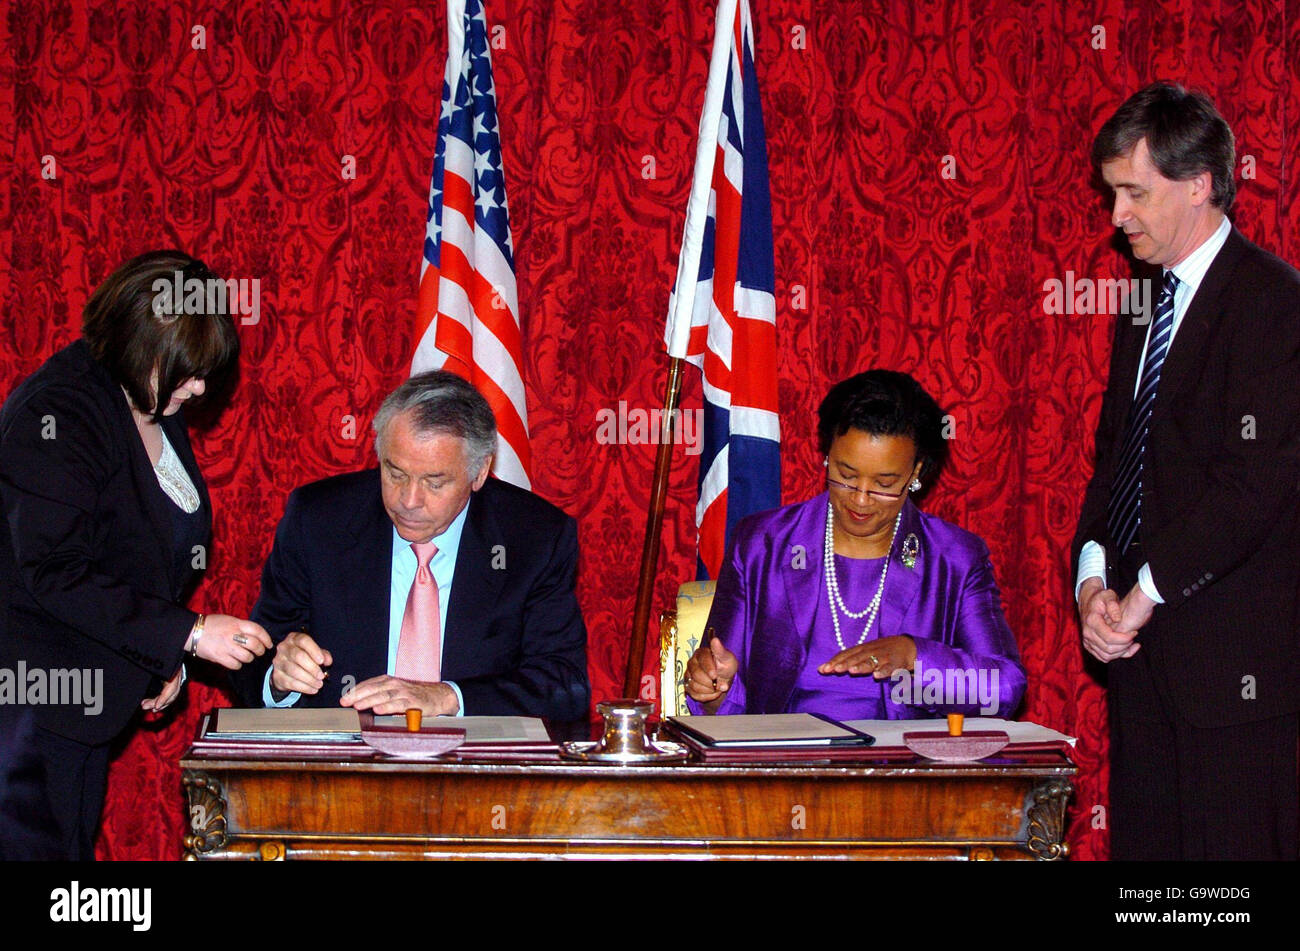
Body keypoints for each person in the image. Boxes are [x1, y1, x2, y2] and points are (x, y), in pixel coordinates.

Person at [1073, 82, 1300, 861]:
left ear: (1200, 183)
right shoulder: (1142, 300)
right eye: (1112, 194)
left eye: (1135, 192)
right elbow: (1117, 455)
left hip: (1237, 685)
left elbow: (1253, 489)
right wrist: (1093, 582)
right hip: (1143, 673)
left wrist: (1141, 596)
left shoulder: (1274, 304)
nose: (1117, 216)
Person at [0, 250, 273, 860]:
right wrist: (192, 634)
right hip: (32, 711)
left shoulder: (152, 399)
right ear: (135, 342)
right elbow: (58, 573)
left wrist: (160, 656)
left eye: (205, 371)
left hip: (87, 705)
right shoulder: (58, 414)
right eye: (186, 372)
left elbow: (134, 558)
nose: (200, 388)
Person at [234, 370, 589, 722]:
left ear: (479, 472)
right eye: (395, 473)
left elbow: (565, 687)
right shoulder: (318, 521)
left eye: (435, 482)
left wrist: (448, 697)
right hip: (344, 769)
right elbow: (254, 658)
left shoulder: (534, 538)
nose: (409, 500)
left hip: (471, 770)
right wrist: (278, 679)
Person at [685, 370, 1025, 720]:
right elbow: (722, 687)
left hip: (903, 768)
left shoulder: (953, 558)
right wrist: (712, 689)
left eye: (884, 483)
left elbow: (1005, 688)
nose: (860, 499)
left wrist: (913, 656)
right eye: (846, 476)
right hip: (786, 762)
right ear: (827, 455)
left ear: (916, 473)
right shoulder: (763, 544)